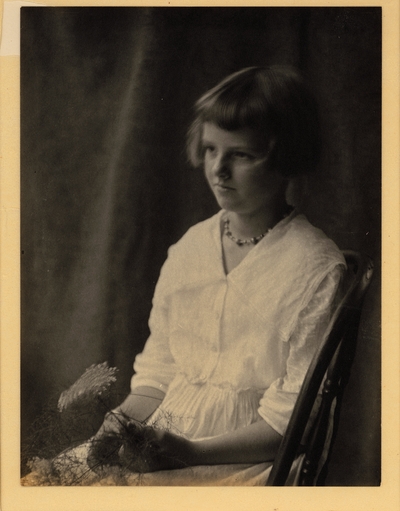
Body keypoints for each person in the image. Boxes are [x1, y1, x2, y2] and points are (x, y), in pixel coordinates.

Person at [86, 65, 346, 485]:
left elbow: (294, 422)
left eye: (241, 154)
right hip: (168, 437)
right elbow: (157, 374)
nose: (218, 170)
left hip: (249, 459)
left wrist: (189, 454)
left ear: (288, 157)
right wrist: (121, 423)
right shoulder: (191, 246)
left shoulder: (315, 269)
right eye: (210, 150)